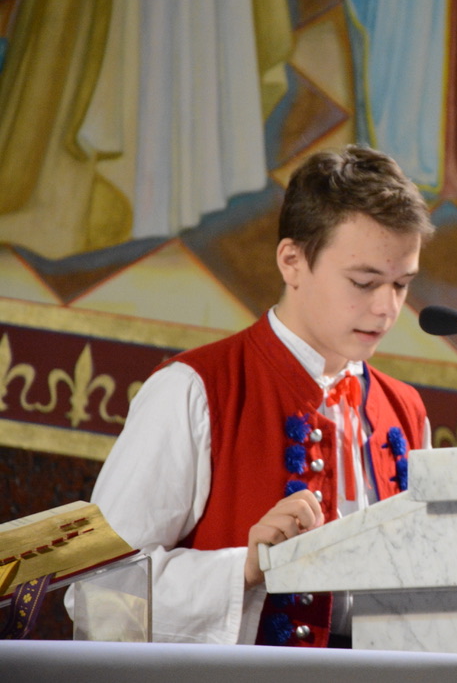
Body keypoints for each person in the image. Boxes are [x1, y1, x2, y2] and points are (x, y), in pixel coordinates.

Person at [65, 145, 435, 647]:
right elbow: (97, 592)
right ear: (292, 261)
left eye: (402, 284)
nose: (387, 308)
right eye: (364, 282)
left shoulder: (405, 410)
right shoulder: (193, 389)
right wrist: (244, 568)